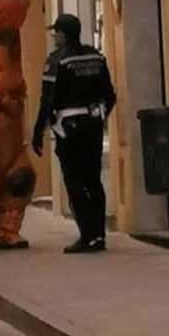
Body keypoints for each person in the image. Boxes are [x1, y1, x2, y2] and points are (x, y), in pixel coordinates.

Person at [32, 14, 116, 254]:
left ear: (62, 34)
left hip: (69, 128)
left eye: (55, 32)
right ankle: (99, 235)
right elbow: (109, 95)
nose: (53, 36)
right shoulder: (96, 57)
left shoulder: (57, 60)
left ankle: (87, 235)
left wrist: (39, 130)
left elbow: (47, 100)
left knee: (75, 180)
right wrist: (100, 116)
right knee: (93, 179)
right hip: (93, 125)